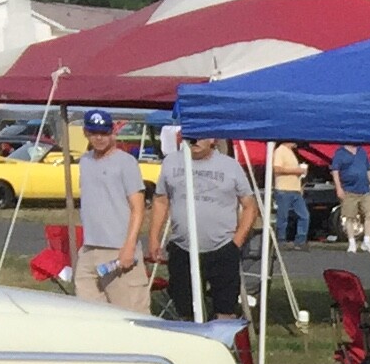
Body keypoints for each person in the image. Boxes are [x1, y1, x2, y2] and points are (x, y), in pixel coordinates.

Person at [148, 131, 259, 321]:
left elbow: (250, 206)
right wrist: (153, 238)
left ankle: (222, 336)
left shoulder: (230, 166)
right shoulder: (171, 162)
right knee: (183, 307)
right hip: (183, 248)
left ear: (212, 139)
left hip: (222, 248)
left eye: (201, 136)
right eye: (191, 136)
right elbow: (161, 200)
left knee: (225, 308)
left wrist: (237, 241)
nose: (195, 141)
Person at [72, 110, 151, 313]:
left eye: (104, 133)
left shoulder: (126, 162)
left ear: (113, 132)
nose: (99, 138)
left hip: (119, 248)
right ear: (86, 133)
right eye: (94, 133)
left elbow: (138, 208)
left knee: (130, 313)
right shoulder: (85, 161)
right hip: (90, 249)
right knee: (89, 313)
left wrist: (129, 247)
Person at [330, 144, 370, 251]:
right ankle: (352, 242)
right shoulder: (340, 153)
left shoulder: (362, 151)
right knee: (349, 217)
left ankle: (367, 241)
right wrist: (339, 188)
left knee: (369, 214)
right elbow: (335, 172)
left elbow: (368, 169)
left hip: (365, 190)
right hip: (349, 191)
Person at [265, 142, 312, 247]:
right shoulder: (280, 151)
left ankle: (300, 241)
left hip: (295, 190)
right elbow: (277, 169)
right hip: (283, 189)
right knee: (283, 217)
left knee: (304, 215)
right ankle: (281, 240)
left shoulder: (291, 152)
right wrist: (297, 170)